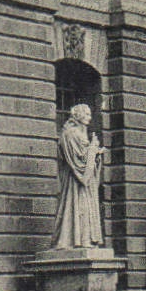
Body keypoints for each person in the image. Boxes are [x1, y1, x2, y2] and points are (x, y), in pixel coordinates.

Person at [49, 103, 106, 249]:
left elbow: (84, 158)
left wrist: (95, 154)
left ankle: (84, 239)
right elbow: (78, 161)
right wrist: (93, 149)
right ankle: (75, 240)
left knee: (84, 208)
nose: (89, 117)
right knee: (77, 207)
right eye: (86, 114)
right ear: (78, 115)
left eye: (89, 114)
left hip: (83, 184)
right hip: (75, 182)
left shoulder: (79, 133)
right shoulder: (70, 134)